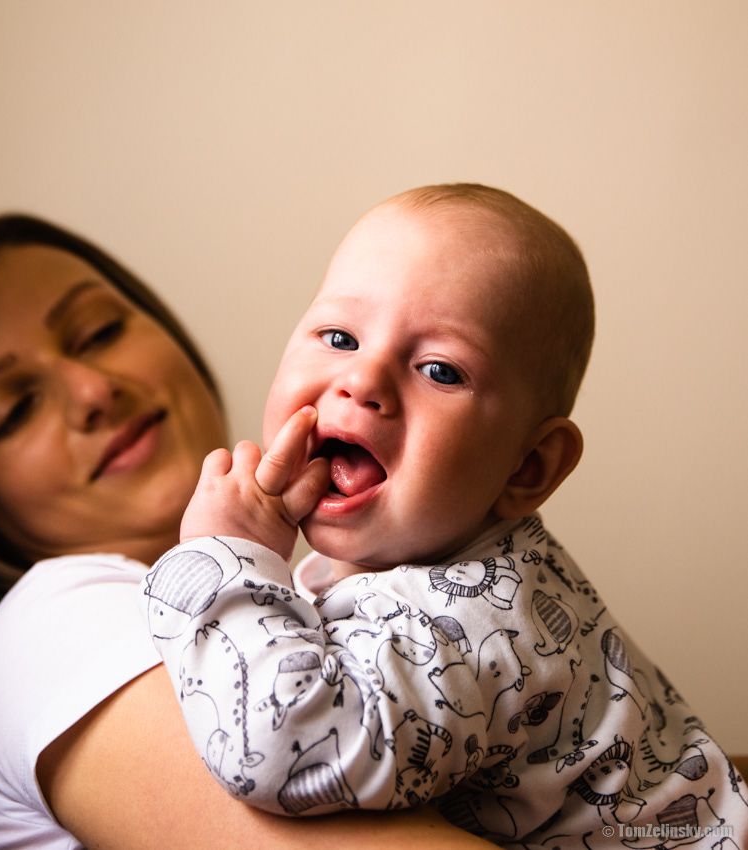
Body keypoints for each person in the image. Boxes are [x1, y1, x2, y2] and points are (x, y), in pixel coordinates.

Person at [0, 213, 503, 849]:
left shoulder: (333, 593)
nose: (93, 391)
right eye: (13, 409)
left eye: (98, 332)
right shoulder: (51, 627)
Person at [140, 184, 748, 846]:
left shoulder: (476, 625)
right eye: (340, 337)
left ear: (527, 467)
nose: (362, 381)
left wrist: (226, 562)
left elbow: (285, 753)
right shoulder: (422, 563)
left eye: (440, 371)